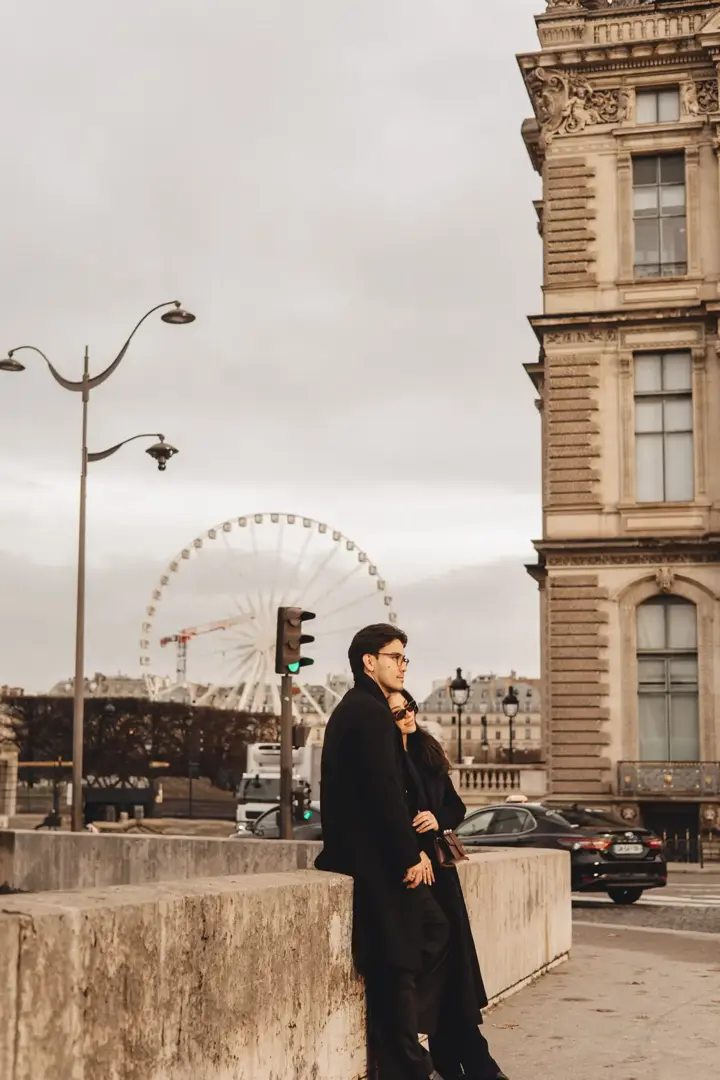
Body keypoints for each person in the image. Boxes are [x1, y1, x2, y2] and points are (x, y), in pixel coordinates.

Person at [315, 623, 449, 1080]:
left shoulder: (358, 708)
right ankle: (405, 1064)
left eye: (404, 657)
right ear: (369, 661)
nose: (403, 665)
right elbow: (384, 792)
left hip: (367, 855)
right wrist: (409, 855)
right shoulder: (369, 713)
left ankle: (404, 1058)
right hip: (375, 860)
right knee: (403, 958)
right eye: (395, 656)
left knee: (406, 953)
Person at [388, 688, 508, 1080]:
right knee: (442, 967)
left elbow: (456, 806)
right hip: (415, 870)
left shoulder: (426, 752)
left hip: (440, 870)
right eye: (398, 712)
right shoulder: (388, 760)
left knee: (455, 967)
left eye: (410, 707)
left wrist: (436, 818)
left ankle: (462, 1055)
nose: (407, 715)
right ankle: (468, 1057)